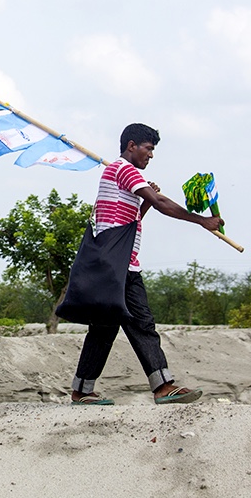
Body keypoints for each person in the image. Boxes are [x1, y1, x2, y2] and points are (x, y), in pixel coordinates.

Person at [71, 123, 223, 406]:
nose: (150, 155)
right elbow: (163, 201)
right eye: (148, 149)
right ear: (132, 145)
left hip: (112, 266)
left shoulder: (121, 175)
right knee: (142, 324)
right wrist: (202, 221)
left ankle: (81, 392)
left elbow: (131, 220)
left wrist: (146, 202)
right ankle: (163, 386)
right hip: (118, 268)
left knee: (103, 329)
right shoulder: (123, 169)